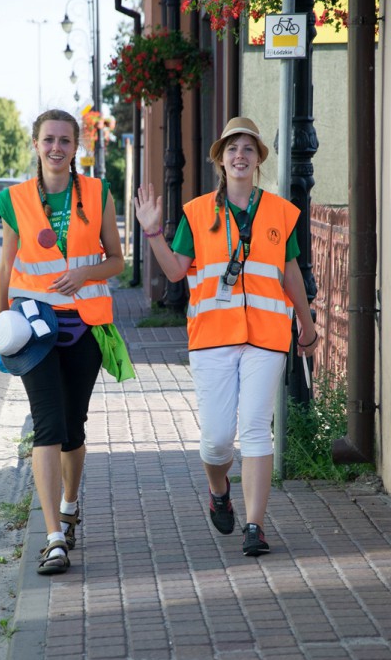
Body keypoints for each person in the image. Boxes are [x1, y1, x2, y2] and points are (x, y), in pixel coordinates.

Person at [134, 117, 319, 556]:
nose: (240, 156)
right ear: (221, 159)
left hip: (266, 338)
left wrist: (307, 325)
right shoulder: (197, 213)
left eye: (248, 150)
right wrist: (152, 231)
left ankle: (254, 526)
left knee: (256, 429)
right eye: (232, 149)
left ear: (257, 161)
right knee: (217, 439)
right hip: (212, 339)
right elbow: (177, 272)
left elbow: (290, 272)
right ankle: (219, 490)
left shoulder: (278, 212)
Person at [0, 108, 124, 575]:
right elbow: (7, 268)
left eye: (65, 140)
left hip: (85, 325)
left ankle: (70, 503)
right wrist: (1, 322)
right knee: (47, 425)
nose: (56, 147)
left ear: (76, 147)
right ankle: (53, 538)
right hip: (34, 328)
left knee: (74, 427)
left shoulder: (97, 192)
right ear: (35, 144)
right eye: (48, 139)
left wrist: (83, 274)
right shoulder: (15, 200)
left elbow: (116, 261)